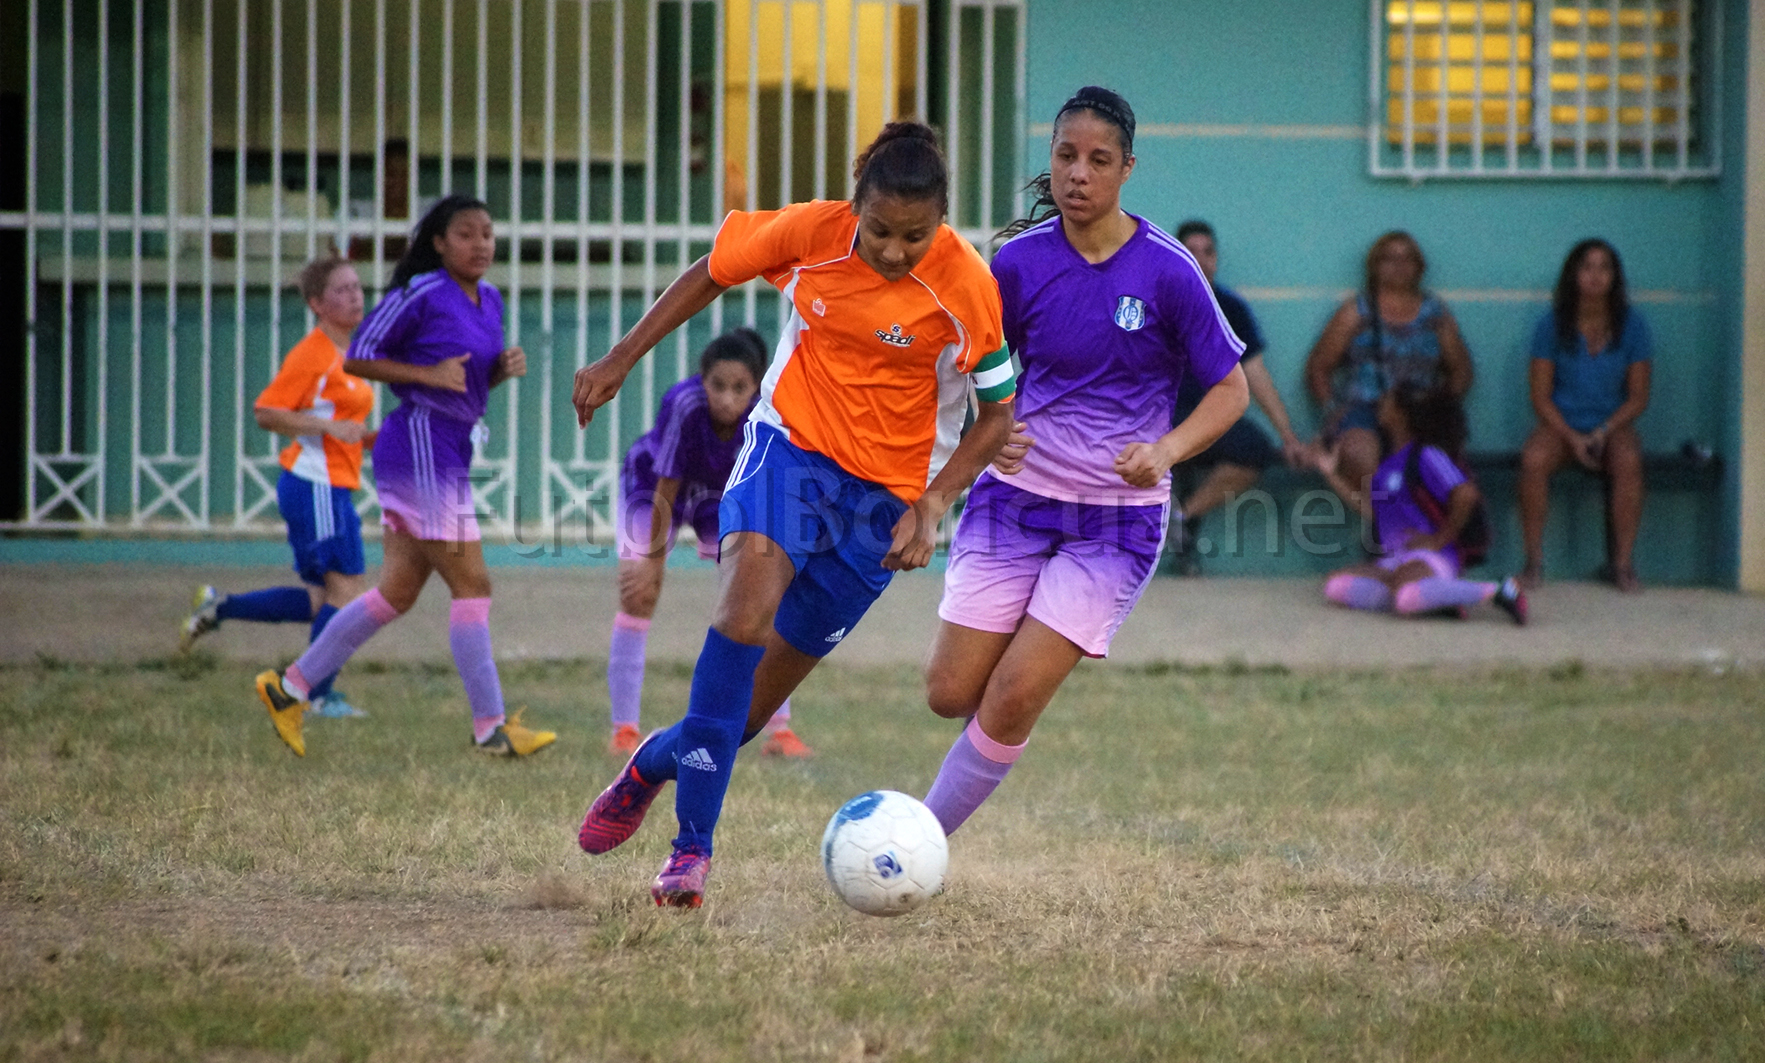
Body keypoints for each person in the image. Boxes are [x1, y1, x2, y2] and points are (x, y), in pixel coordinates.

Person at [572, 121, 1015, 908]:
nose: (892, 250)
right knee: (742, 613)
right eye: (879, 230)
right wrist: (620, 356)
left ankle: (648, 765)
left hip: (879, 505)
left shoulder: (967, 286)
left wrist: (933, 502)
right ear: (856, 207)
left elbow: (995, 414)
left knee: (739, 716)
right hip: (790, 449)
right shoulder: (812, 232)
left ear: (941, 221)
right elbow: (711, 270)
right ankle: (689, 852)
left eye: (915, 235)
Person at [916, 86, 1250, 839]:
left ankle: (918, 842)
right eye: (1066, 156)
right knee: (947, 692)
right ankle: (995, 710)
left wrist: (1165, 450)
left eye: (1098, 160)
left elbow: (1231, 392)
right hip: (1013, 503)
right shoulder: (1018, 264)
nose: (1078, 174)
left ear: (1127, 168)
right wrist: (988, 430)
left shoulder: (1167, 270)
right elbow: (976, 369)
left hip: (1115, 521)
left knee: (1009, 697)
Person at [253, 194, 556, 759]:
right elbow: (359, 357)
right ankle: (490, 728)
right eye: (466, 233)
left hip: (449, 444)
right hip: (418, 443)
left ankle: (287, 687)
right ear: (438, 243)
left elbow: (458, 386)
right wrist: (427, 372)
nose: (481, 244)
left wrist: (495, 373)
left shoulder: (490, 299)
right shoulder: (419, 292)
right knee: (473, 585)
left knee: (396, 592)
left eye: (488, 233)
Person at [181, 256, 375, 719]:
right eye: (341, 290)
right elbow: (266, 411)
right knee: (347, 594)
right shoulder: (314, 353)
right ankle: (312, 696)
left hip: (328, 485)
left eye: (357, 287)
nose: (354, 295)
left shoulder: (353, 350)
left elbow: (342, 422)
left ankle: (218, 608)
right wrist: (329, 430)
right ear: (316, 304)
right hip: (315, 485)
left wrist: (365, 439)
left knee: (321, 599)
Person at [606, 327, 812, 759]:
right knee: (639, 594)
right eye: (717, 385)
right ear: (702, 380)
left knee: (758, 600)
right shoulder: (684, 405)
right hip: (653, 489)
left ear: (756, 385)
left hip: (717, 497)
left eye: (739, 387)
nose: (726, 398)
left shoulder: (766, 412)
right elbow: (667, 484)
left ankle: (779, 731)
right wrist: (650, 561)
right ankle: (624, 730)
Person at [1312, 383, 1526, 624]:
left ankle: (1498, 591)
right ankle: (1436, 599)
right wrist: (1330, 474)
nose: (1381, 401)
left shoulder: (1427, 455)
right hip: (1397, 558)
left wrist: (1439, 539)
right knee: (1336, 585)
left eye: (1388, 399)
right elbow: (1373, 511)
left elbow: (1466, 494)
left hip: (1432, 557)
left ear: (1401, 415)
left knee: (1404, 597)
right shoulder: (1388, 465)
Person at [1164, 219, 1308, 575]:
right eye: (1191, 251)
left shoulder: (1232, 309)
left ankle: (1182, 518)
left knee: (1256, 450)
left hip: (1212, 415)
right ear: (1177, 255)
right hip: (1160, 414)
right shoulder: (1156, 300)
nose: (1201, 259)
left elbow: (1255, 374)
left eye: (1208, 251)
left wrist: (1288, 435)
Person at [1518, 238, 1652, 592]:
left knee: (1628, 460)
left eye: (1604, 268)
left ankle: (1622, 565)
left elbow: (1638, 398)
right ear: (1573, 275)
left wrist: (1603, 431)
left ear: (1615, 277)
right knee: (1533, 459)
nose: (1595, 276)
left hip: (1612, 424)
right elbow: (1540, 396)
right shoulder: (1552, 325)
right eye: (1587, 267)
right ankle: (1532, 562)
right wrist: (1573, 437)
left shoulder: (1632, 326)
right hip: (1561, 425)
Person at [1304, 231, 1474, 503]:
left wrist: (1441, 408)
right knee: (1359, 454)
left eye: (1407, 259)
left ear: (1419, 267)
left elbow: (1461, 370)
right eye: (1389, 258)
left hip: (1419, 411)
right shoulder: (1356, 311)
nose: (1399, 265)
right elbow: (1319, 367)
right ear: (1374, 265)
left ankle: (1408, 529)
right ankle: (1388, 525)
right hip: (1364, 409)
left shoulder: (1435, 313)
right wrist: (1331, 410)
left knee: (1434, 466)